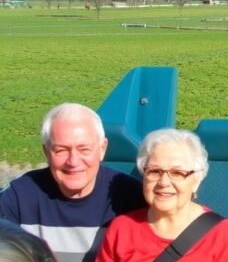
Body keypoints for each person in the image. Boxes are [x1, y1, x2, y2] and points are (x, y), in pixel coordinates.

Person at [0, 103, 146, 261]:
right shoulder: (20, 196)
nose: (73, 161)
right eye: (61, 150)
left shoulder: (131, 197)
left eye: (84, 149)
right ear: (46, 152)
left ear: (102, 149)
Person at [96, 128, 228, 261]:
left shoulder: (220, 233)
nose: (164, 182)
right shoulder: (122, 229)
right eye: (155, 171)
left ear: (196, 181)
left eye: (177, 173)